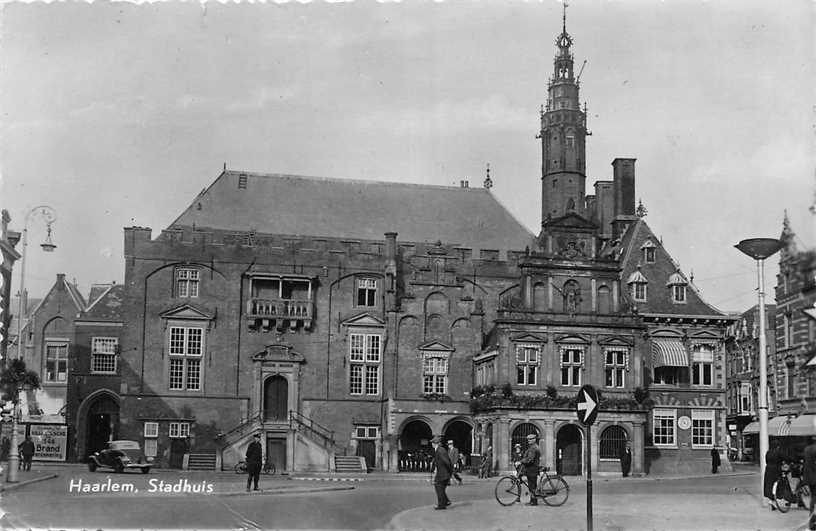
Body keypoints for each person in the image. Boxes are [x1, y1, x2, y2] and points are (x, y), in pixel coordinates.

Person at [430, 435, 453, 510]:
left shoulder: (440, 450)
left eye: (432, 442)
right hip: (442, 472)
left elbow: (446, 462)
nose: (432, 444)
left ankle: (442, 505)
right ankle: (445, 501)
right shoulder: (439, 450)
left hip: (443, 473)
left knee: (438, 487)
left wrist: (449, 472)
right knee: (440, 488)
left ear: (435, 443)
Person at [519, 433, 541, 506]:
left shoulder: (534, 448)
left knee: (532, 486)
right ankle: (532, 500)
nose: (529, 440)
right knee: (531, 486)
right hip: (531, 469)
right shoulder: (532, 447)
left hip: (532, 469)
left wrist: (522, 461)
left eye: (530, 439)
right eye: (528, 439)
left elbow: (530, 459)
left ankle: (534, 501)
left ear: (534, 440)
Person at [802, 436, 816, 529]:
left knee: (813, 499)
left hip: (810, 478)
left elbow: (807, 464)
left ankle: (812, 524)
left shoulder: (807, 449)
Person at [764, 441, 783, 509]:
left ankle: (771, 500)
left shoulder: (768, 452)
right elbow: (783, 459)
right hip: (776, 469)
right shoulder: (778, 452)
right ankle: (776, 498)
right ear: (777, 446)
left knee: (769, 484)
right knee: (778, 483)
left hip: (768, 469)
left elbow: (766, 461)